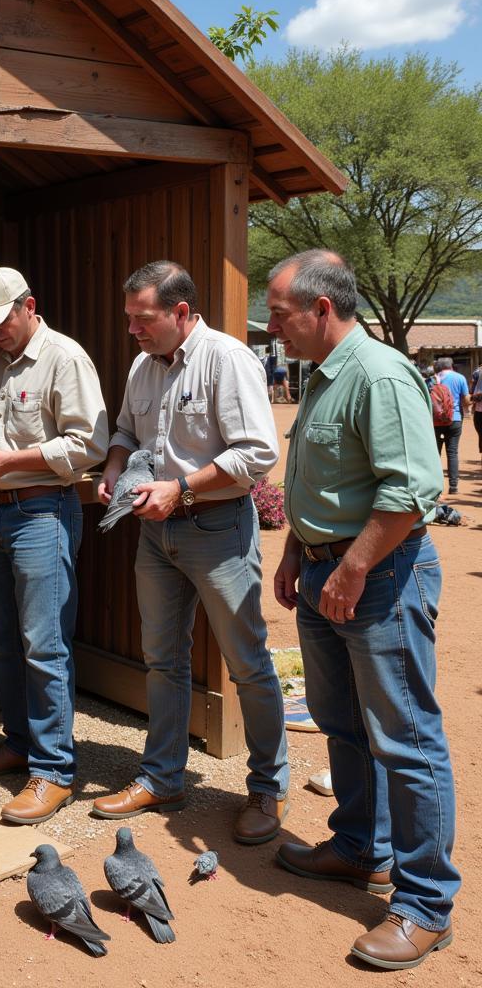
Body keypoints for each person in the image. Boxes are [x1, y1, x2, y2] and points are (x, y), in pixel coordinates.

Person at [268, 249, 459, 971]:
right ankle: (359, 847)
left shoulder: (379, 374)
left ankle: (425, 904)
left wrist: (348, 569)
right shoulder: (323, 374)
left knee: (406, 740)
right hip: (330, 573)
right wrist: (295, 552)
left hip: (377, 577)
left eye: (282, 315)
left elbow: (412, 491)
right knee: (344, 724)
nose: (274, 328)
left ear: (322, 309)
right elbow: (321, 479)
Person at [91, 261, 290, 845]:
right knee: (163, 659)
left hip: (217, 528)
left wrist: (180, 488)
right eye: (129, 318)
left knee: (247, 663)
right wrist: (113, 467)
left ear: (181, 312)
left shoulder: (228, 359)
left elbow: (257, 453)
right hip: (157, 534)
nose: (133, 329)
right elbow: (127, 431)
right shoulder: (141, 365)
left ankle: (267, 787)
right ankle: (162, 777)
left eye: (142, 318)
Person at [0, 266, 108, 824]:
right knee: (3, 643)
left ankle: (53, 769)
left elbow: (88, 443)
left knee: (45, 645)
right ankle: (19, 741)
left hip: (44, 512)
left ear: (29, 306)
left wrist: (7, 461)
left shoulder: (65, 357)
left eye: (3, 321)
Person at [433, 356, 469, 494]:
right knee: (452, 452)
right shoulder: (460, 378)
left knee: (435, 453)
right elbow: (466, 401)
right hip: (454, 419)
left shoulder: (432, 379)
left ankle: (436, 486)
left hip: (435, 420)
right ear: (452, 366)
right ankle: (453, 487)